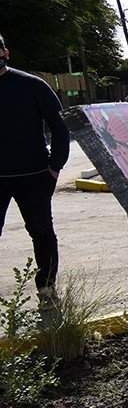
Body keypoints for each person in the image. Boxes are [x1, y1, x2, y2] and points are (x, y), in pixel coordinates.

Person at [0, 33, 70, 300]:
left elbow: (60, 126)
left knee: (41, 232)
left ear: (6, 52)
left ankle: (47, 285)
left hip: (34, 175)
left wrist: (55, 166)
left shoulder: (32, 85)